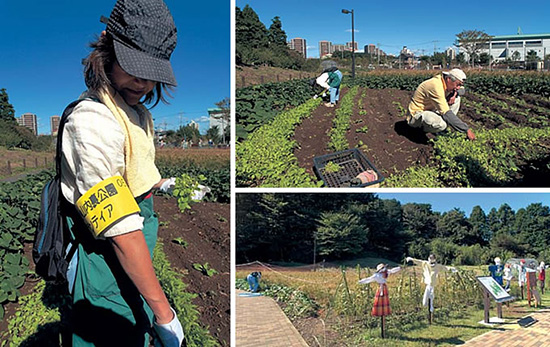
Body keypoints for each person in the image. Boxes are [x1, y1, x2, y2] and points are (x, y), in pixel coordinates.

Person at [60, 0, 184, 346]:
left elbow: (132, 172)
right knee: (113, 332)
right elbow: (121, 231)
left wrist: (161, 184)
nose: (143, 81)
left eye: (151, 71)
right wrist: (165, 314)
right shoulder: (92, 121)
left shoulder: (137, 113)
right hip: (103, 260)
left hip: (129, 257)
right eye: (133, 66)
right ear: (106, 48)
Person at [407, 68, 475, 140]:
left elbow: (462, 90)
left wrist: (454, 94)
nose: (458, 87)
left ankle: (444, 125)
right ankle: (420, 131)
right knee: (442, 125)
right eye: (457, 84)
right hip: (416, 115)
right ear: (449, 79)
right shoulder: (435, 86)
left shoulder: (445, 81)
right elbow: (446, 113)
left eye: (460, 85)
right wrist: (466, 130)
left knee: (457, 98)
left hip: (431, 110)